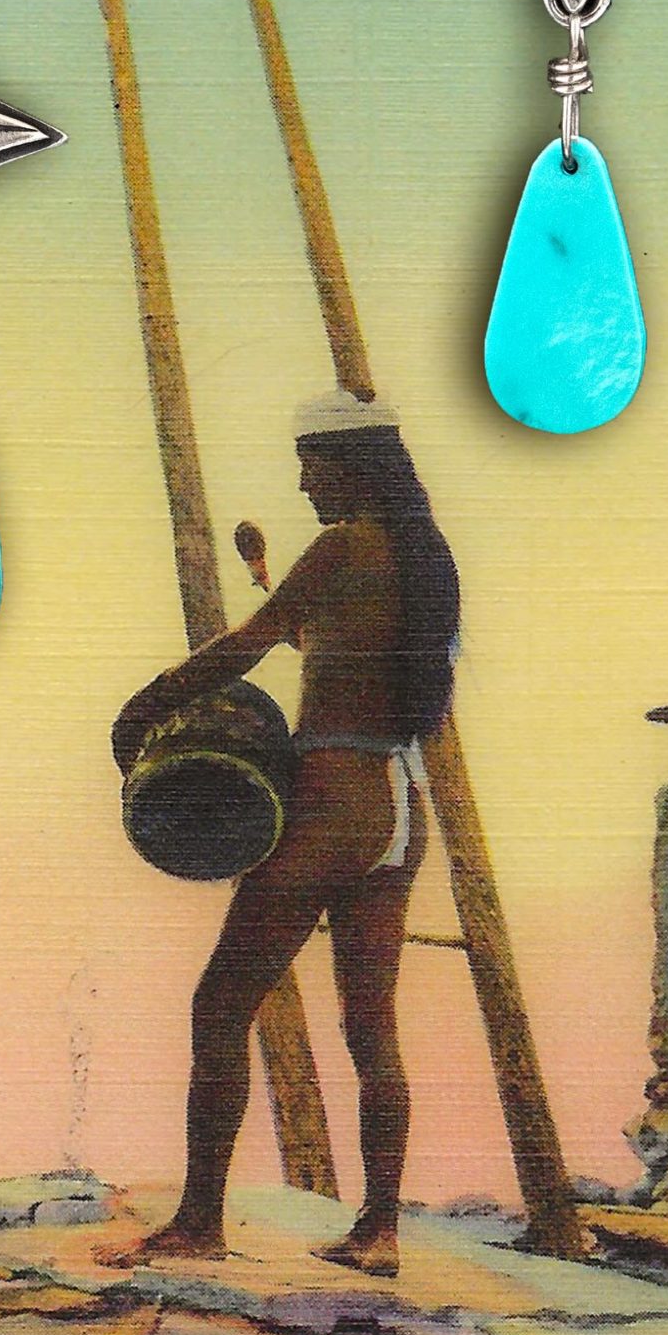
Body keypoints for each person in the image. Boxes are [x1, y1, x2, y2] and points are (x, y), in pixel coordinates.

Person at [109, 389, 460, 1277]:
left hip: (332, 800)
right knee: (370, 1028)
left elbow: (252, 644)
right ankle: (378, 1233)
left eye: (312, 467)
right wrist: (275, 582)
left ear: (352, 466)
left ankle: (199, 1223)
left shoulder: (342, 545)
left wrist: (148, 703)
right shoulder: (421, 556)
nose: (304, 484)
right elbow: (341, 647)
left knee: (220, 1005)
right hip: (397, 806)